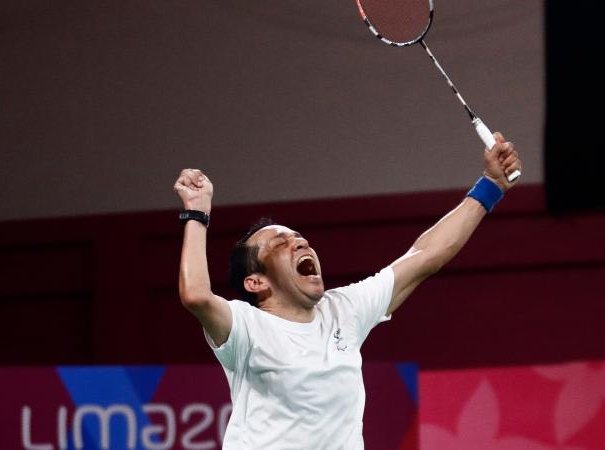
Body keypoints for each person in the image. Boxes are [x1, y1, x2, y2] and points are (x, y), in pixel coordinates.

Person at [173, 133, 521, 449]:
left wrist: (490, 186)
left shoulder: (343, 310)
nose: (299, 243)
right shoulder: (246, 328)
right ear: (256, 282)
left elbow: (424, 256)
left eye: (299, 238)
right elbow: (197, 296)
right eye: (281, 242)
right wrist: (196, 212)